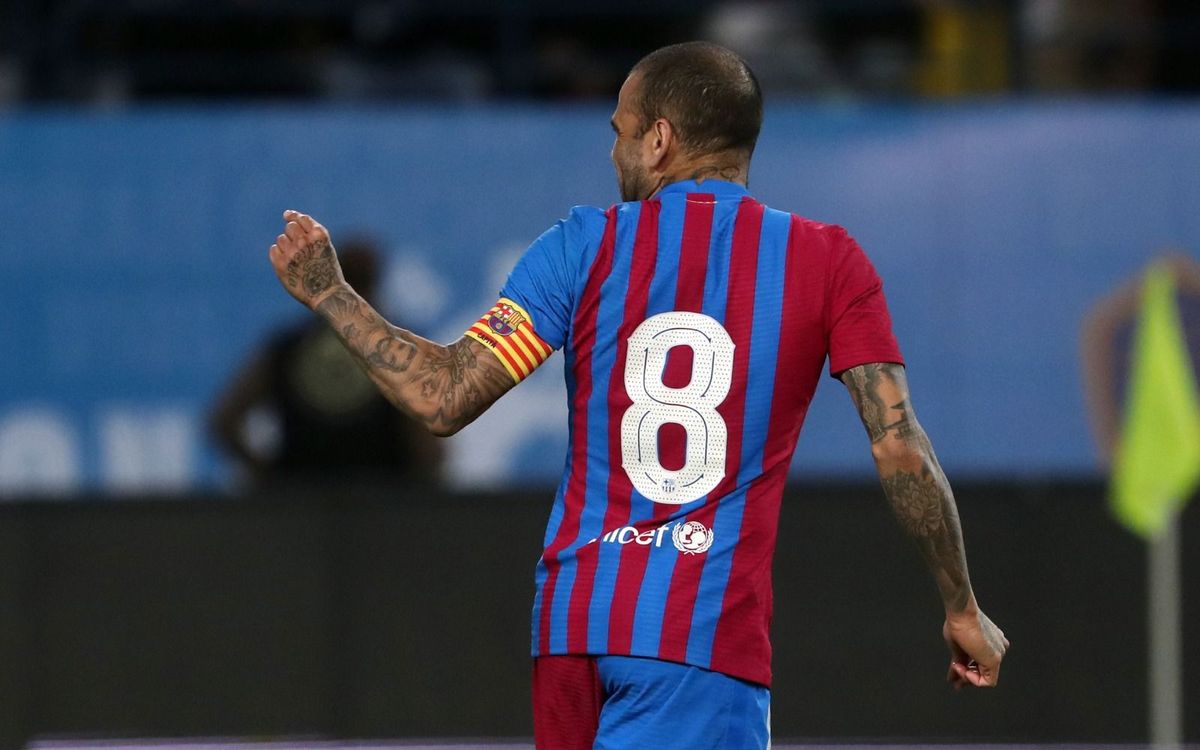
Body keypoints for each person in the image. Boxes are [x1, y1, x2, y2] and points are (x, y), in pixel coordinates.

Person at [266, 41, 1008, 750]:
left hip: (571, 630)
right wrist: (961, 606)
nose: (613, 151)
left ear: (659, 141)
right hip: (698, 639)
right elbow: (899, 449)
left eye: (619, 131)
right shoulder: (828, 262)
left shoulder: (579, 246)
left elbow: (444, 397)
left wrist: (331, 294)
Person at [214, 241, 442, 489]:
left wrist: (268, 476)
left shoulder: (289, 347)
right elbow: (428, 451)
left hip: (299, 497)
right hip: (380, 499)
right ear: (376, 282)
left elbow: (224, 421)